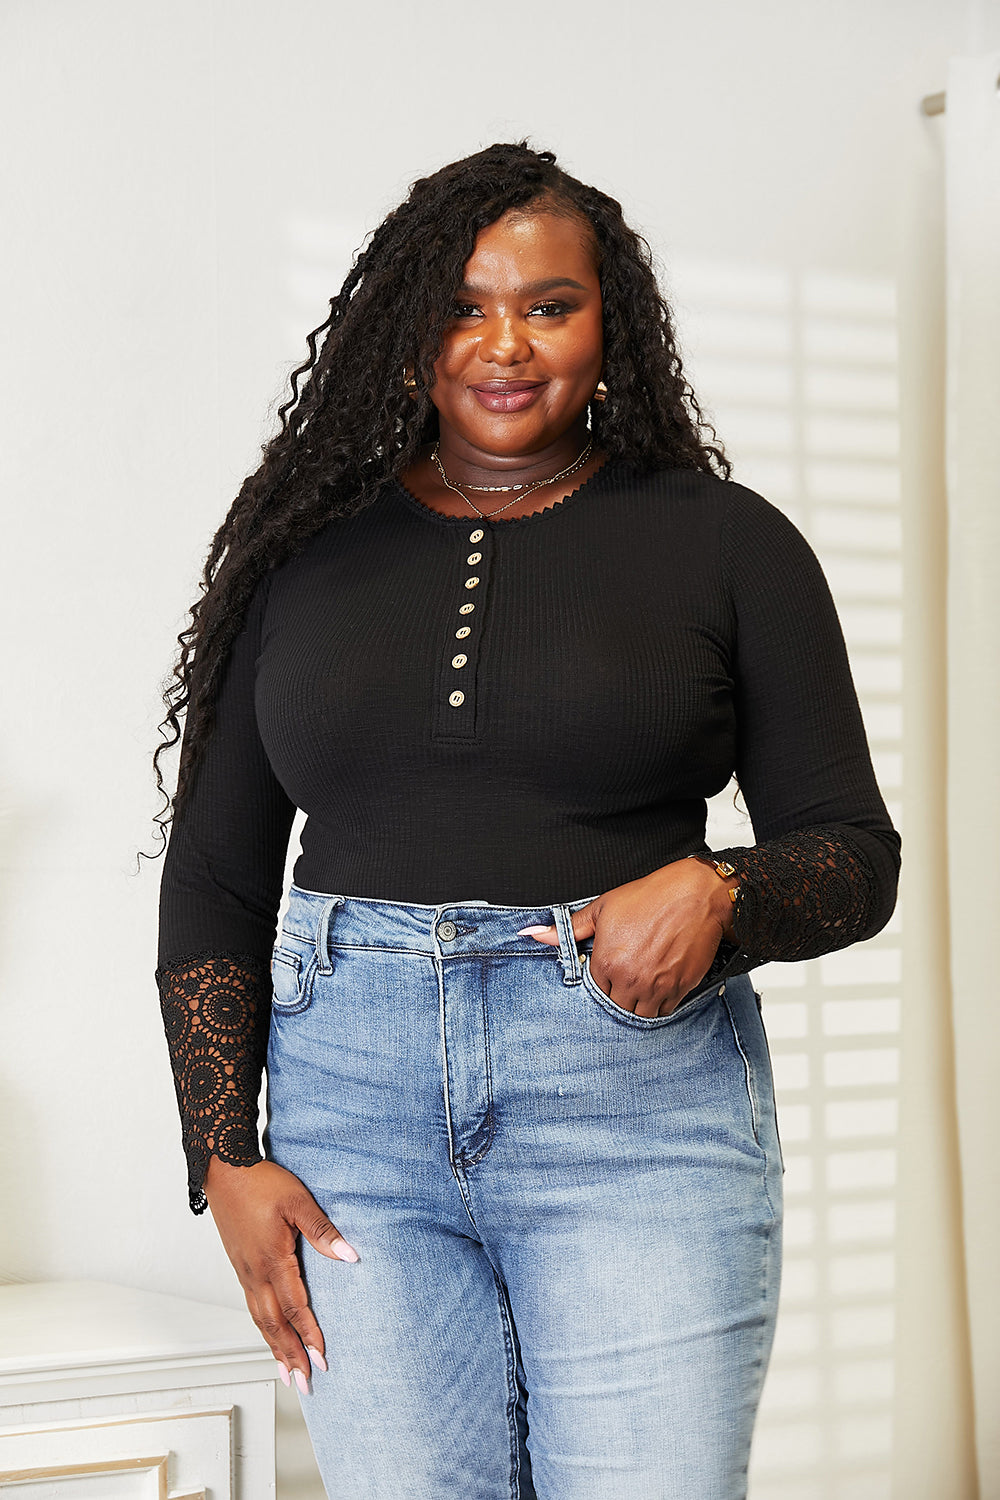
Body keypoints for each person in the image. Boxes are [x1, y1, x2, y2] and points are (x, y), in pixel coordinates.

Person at [154, 141, 900, 1500]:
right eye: (464, 303)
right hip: (350, 1128)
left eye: (549, 305)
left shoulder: (728, 543)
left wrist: (728, 893)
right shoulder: (304, 556)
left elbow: (856, 855)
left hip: (634, 1114)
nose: (504, 343)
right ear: (407, 326)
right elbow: (214, 875)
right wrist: (225, 1159)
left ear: (608, 323)